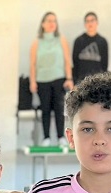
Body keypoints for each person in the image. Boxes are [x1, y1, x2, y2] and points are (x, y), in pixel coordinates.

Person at [29, 12, 74, 146]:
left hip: (59, 78)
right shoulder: (37, 42)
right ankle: (46, 137)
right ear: (43, 24)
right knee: (46, 109)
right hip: (42, 80)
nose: (52, 23)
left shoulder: (61, 39)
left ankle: (60, 136)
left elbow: (67, 60)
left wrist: (69, 78)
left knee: (59, 109)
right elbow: (33, 64)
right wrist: (32, 81)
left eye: (54, 21)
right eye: (49, 21)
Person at [72, 12, 108, 84]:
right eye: (87, 21)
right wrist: (75, 81)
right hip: (81, 80)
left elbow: (104, 64)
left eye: (92, 20)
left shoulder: (102, 41)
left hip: (97, 82)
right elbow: (75, 62)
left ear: (97, 23)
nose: (90, 23)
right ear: (85, 24)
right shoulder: (78, 41)